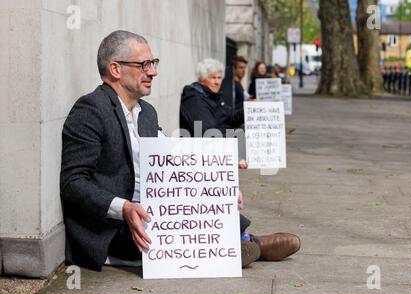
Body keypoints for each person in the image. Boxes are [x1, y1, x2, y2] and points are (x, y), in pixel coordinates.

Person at [179, 58, 301, 268]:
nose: (217, 81)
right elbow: (209, 134)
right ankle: (247, 242)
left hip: (214, 160)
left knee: (220, 204)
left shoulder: (212, 97)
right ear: (201, 78)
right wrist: (232, 156)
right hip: (201, 162)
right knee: (218, 201)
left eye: (219, 77)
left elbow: (230, 119)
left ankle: (247, 242)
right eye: (212, 78)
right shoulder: (195, 100)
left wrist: (251, 108)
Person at [60, 30, 162, 271]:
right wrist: (123, 208)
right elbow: (73, 183)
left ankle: (246, 241)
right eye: (144, 64)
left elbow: (170, 159)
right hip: (111, 228)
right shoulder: (90, 110)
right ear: (115, 69)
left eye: (153, 63)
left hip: (147, 211)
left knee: (226, 219)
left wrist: (218, 188)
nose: (153, 72)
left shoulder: (147, 112)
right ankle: (248, 244)